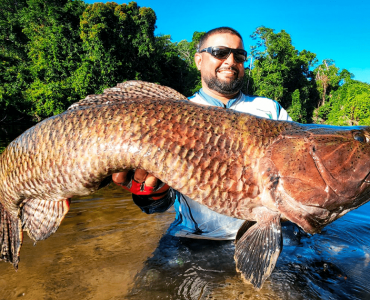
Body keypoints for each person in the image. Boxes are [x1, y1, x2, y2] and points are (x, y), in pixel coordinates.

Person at [112, 27, 292, 240]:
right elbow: (156, 208)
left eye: (239, 55)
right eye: (220, 52)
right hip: (194, 240)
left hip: (268, 234)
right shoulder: (169, 114)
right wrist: (152, 194)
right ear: (198, 60)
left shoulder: (271, 110)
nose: (231, 61)